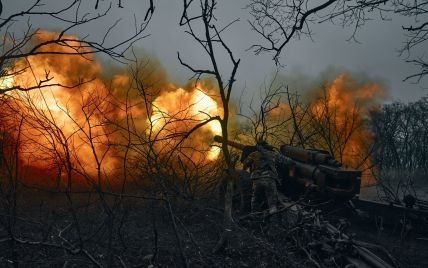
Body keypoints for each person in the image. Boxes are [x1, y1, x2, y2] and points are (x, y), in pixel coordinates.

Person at [243, 140, 289, 214]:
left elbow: (245, 163)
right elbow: (287, 161)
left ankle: (254, 218)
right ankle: (274, 222)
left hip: (257, 180)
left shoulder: (254, 154)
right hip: (269, 179)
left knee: (255, 201)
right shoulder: (273, 154)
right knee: (272, 204)